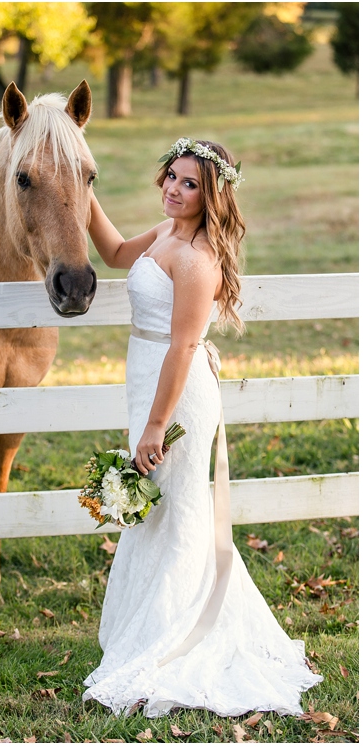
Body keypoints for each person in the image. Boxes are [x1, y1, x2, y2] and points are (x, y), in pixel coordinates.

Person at [81, 138, 322, 717]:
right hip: (145, 378)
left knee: (179, 512)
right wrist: (80, 187)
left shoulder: (195, 258)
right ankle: (148, 624)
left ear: (210, 195)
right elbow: (113, 253)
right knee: (157, 510)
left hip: (176, 395)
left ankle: (179, 635)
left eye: (189, 184)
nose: (173, 189)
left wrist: (155, 427)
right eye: (171, 176)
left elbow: (184, 347)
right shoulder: (166, 233)